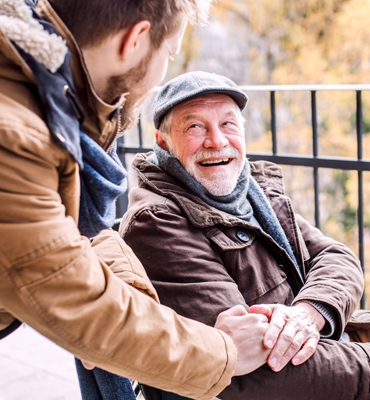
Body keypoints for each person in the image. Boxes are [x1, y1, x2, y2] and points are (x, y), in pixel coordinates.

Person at [0, 2, 272, 399]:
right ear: (135, 41)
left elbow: (71, 233)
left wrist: (120, 284)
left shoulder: (40, 102)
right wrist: (226, 352)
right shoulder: (14, 136)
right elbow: (81, 306)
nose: (163, 71)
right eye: (169, 54)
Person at [120, 70, 370, 399]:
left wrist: (307, 314)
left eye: (228, 124)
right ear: (163, 142)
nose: (216, 141)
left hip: (326, 349)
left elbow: (337, 258)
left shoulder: (251, 190)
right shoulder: (156, 223)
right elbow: (248, 372)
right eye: (195, 127)